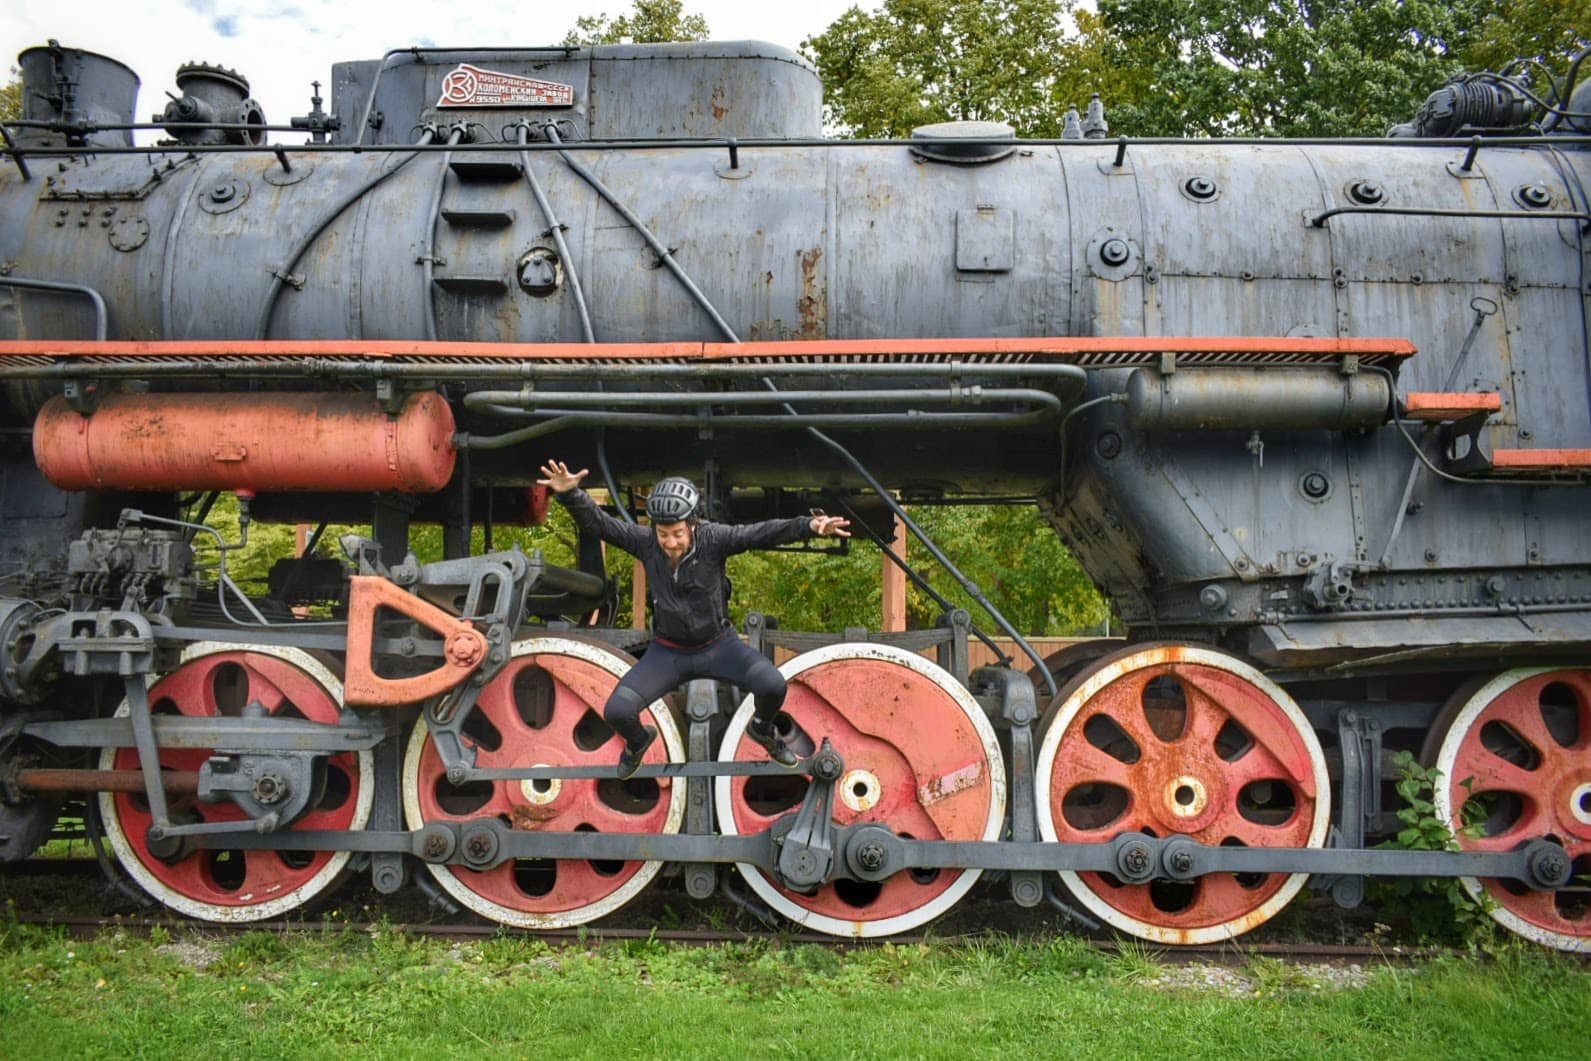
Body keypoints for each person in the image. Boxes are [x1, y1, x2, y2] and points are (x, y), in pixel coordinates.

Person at [537, 460, 852, 778]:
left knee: (772, 685)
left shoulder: (714, 539)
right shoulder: (646, 543)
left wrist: (808, 527)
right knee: (617, 711)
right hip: (668, 654)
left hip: (718, 647)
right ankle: (638, 741)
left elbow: (760, 533)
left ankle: (762, 729)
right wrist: (570, 494)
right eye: (663, 534)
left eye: (677, 534)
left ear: (692, 525)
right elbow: (600, 525)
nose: (670, 543)